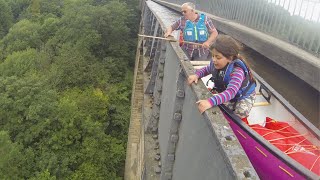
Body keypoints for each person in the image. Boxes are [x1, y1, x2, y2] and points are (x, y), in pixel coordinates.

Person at [187, 35, 256, 123]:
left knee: (240, 113)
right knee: (222, 105)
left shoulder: (237, 71)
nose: (214, 60)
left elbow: (231, 92)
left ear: (230, 58)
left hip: (243, 96)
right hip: (229, 90)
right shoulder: (215, 63)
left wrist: (210, 102)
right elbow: (206, 69)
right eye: (212, 56)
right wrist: (196, 75)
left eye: (218, 57)